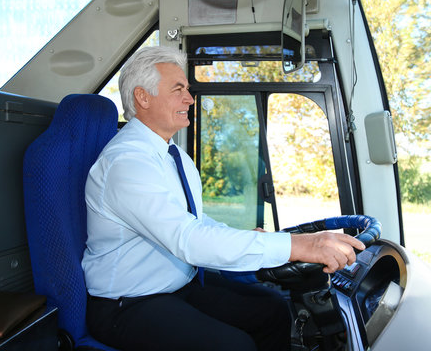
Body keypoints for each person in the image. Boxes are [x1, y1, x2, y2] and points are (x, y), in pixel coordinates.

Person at [81, 46, 365, 351]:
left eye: (188, 90)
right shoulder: (127, 163)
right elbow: (187, 239)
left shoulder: (172, 156)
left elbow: (193, 221)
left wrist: (245, 236)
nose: (189, 99)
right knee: (234, 345)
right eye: (178, 90)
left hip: (177, 286)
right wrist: (299, 245)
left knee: (271, 310)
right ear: (143, 97)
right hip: (127, 304)